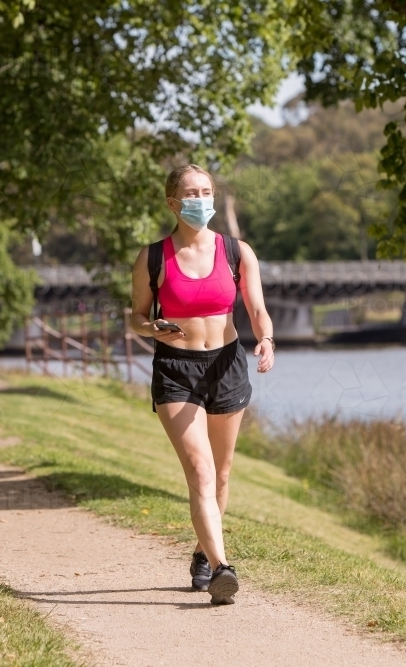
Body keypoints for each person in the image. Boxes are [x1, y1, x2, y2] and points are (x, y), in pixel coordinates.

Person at [130, 164, 275, 605]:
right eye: (191, 192)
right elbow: (135, 317)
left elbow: (256, 308)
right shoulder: (153, 257)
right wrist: (152, 327)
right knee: (200, 470)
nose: (201, 199)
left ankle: (201, 553)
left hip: (226, 364)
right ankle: (222, 568)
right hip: (176, 368)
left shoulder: (236, 251)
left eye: (206, 190)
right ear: (173, 203)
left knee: (223, 472)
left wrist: (266, 339)